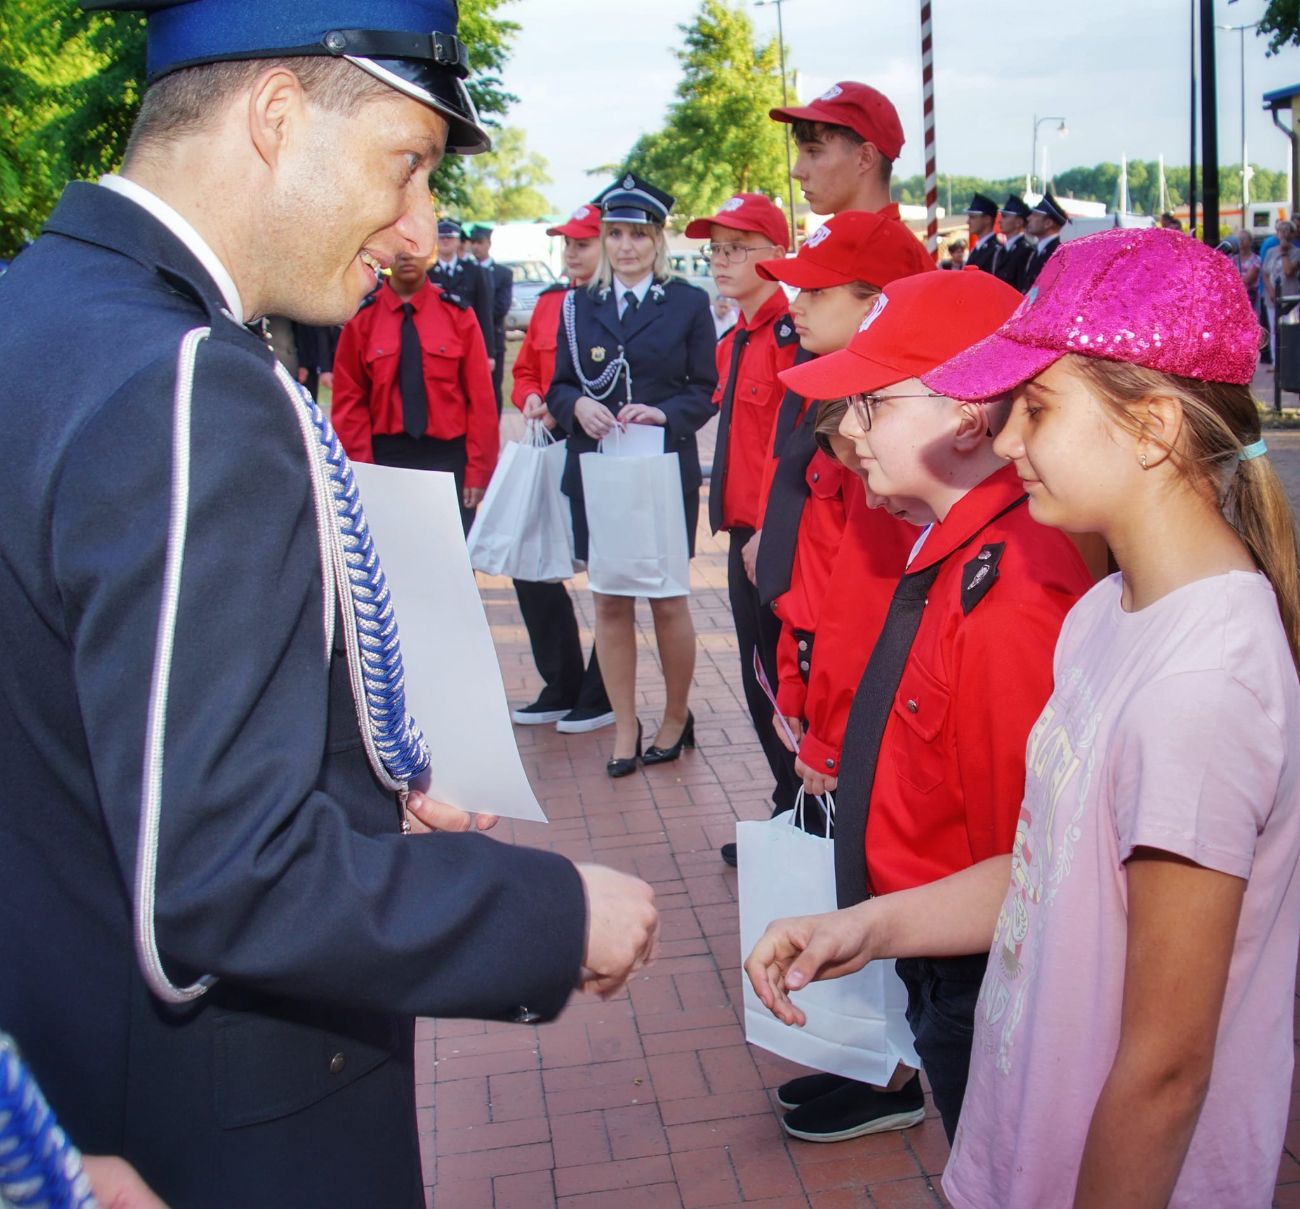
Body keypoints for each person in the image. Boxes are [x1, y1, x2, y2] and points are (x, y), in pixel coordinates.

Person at [0, 5, 660, 1207]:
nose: (418, 230)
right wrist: (549, 914)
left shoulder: (41, 315)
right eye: (405, 162)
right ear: (276, 114)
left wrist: (358, 799)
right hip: (226, 1121)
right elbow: (224, 876)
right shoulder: (194, 385)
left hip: (79, 1064)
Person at [747, 226, 1300, 1209]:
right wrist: (869, 925)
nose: (1006, 440)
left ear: (1152, 428)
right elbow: (1052, 865)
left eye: (1036, 409)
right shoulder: (1106, 610)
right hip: (1034, 1137)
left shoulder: (1203, 684)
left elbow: (1164, 1070)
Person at [768, 269, 1094, 1143]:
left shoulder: (1012, 592)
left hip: (980, 973)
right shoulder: (950, 546)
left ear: (968, 415)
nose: (848, 429)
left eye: (872, 402)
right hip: (933, 946)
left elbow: (1025, 866)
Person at [547, 174, 717, 776]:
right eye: (615, 234)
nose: (625, 247)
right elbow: (559, 385)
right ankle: (624, 725)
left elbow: (705, 388)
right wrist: (577, 406)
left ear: (657, 240)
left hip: (661, 470)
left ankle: (675, 717)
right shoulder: (577, 306)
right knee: (611, 601)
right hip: (599, 471)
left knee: (668, 601)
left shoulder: (687, 303)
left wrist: (665, 413)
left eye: (638, 236)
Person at [683, 192, 802, 829]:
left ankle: (807, 813)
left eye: (737, 248)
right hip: (743, 532)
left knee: (785, 678)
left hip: (775, 535)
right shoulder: (736, 339)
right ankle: (788, 807)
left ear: (776, 254)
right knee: (758, 677)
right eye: (716, 250)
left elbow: (794, 448)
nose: (721, 261)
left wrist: (772, 533)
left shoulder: (792, 336)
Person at [508, 201, 614, 733]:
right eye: (567, 244)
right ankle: (562, 681)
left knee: (608, 573)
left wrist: (564, 404)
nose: (571, 252)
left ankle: (601, 691)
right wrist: (531, 396)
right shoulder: (552, 303)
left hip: (597, 447)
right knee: (531, 563)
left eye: (582, 243)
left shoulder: (620, 306)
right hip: (548, 446)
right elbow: (526, 368)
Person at [332, 248, 499, 535]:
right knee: (394, 552)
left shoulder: (457, 315)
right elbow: (350, 402)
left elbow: (480, 399)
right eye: (398, 251)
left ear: (430, 255)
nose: (406, 258)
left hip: (448, 459)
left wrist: (478, 471)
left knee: (452, 553)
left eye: (415, 250)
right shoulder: (362, 319)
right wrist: (364, 472)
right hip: (387, 459)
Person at [771, 80, 905, 218]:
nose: (796, 172)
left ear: (865, 158)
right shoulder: (858, 231)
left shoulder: (874, 233)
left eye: (813, 152)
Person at [429, 216, 497, 370]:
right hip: (436, 343)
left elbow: (484, 312)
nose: (445, 241)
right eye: (441, 237)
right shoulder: (427, 273)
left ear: (458, 241)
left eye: (450, 237)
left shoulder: (474, 271)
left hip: (467, 340)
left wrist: (489, 353)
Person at [468, 223, 512, 410]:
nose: (476, 247)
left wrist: (477, 314)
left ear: (488, 243)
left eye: (480, 242)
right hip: (468, 337)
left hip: (493, 337)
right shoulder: (466, 271)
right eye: (473, 242)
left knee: (493, 387)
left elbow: (501, 306)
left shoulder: (503, 273)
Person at [1263, 219, 1300, 366]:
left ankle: (1288, 362)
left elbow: (1289, 271)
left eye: (1286, 230)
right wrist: (1271, 291)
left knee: (1289, 330)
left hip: (1290, 297)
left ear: (1293, 234)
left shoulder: (1297, 252)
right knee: (1274, 330)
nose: (1283, 234)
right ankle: (1276, 363)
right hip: (1273, 298)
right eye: (1280, 230)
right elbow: (1265, 274)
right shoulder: (1270, 252)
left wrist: (1284, 253)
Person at [1020, 191, 1069, 291]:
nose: (1028, 218)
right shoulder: (1037, 251)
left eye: (1035, 215)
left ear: (1048, 223)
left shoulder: (1057, 253)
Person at [992, 195, 1033, 288]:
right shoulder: (1001, 250)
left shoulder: (1025, 250)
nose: (1000, 221)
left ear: (1019, 222)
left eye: (1005, 216)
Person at [964, 193, 1000, 274]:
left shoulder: (996, 250)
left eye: (973, 217)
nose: (968, 222)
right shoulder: (977, 249)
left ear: (987, 219)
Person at [1232, 226, 1261, 312]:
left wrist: (1235, 281)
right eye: (1239, 239)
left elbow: (1247, 280)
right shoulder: (1233, 259)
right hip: (1236, 299)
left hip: (1251, 297)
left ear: (1250, 241)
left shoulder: (1256, 259)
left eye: (1244, 239)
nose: (1241, 241)